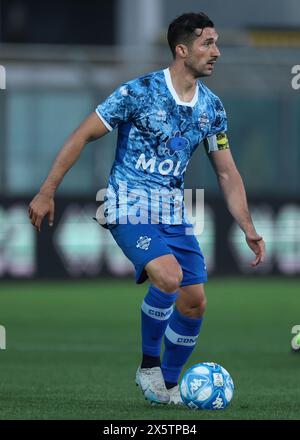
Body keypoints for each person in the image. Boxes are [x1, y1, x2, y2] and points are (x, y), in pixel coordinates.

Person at [28, 12, 265, 406]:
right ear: (181, 49)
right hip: (126, 206)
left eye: (216, 43)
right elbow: (83, 134)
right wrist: (47, 190)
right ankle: (149, 365)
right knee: (168, 277)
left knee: (194, 302)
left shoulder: (212, 109)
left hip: (173, 214)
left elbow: (227, 173)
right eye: (208, 43)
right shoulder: (138, 93)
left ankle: (168, 388)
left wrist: (247, 226)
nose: (217, 52)